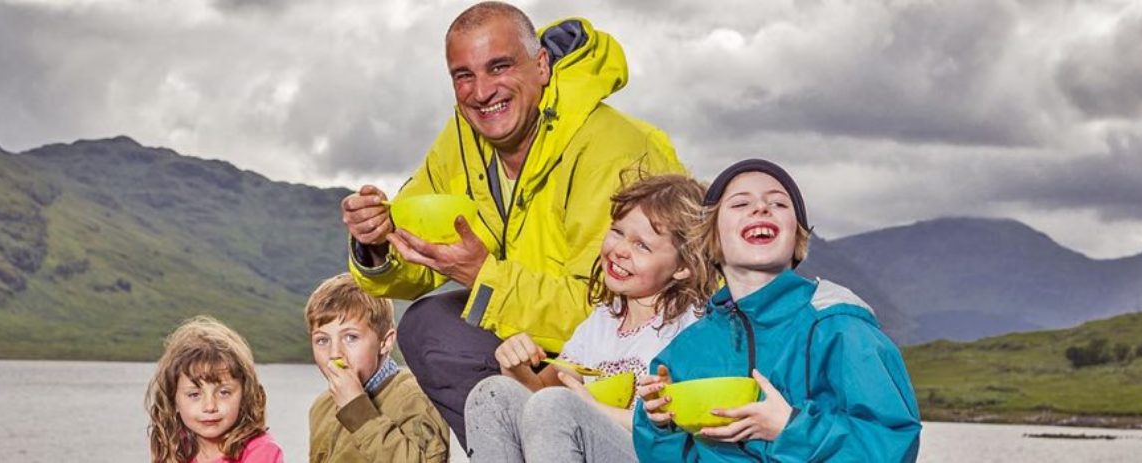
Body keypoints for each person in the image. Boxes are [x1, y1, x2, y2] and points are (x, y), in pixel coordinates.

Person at [337, 1, 684, 444]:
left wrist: (486, 277)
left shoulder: (612, 152)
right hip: (532, 332)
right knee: (429, 328)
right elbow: (416, 249)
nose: (481, 92)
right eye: (464, 75)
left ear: (540, 65)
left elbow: (611, 307)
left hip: (632, 353)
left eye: (498, 67)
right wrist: (376, 242)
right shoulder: (462, 139)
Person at [632, 159, 922, 462]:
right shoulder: (683, 352)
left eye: (779, 204)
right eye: (741, 203)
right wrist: (662, 426)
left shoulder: (840, 327)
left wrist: (790, 428)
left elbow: (893, 444)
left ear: (797, 238)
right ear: (711, 239)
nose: (761, 208)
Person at [466, 174, 716, 462]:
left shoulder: (694, 327)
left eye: (642, 246)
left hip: (652, 454)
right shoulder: (602, 323)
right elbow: (542, 398)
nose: (620, 250)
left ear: (684, 267)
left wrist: (593, 409)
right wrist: (514, 368)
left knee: (558, 405)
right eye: (618, 232)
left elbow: (681, 427)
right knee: (493, 394)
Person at [304, 274, 451, 462]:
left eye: (350, 337)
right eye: (322, 340)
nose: (334, 353)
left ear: (385, 342)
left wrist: (357, 409)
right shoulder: (321, 406)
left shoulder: (414, 397)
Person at [146, 316, 284, 463]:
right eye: (194, 394)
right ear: (174, 401)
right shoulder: (174, 447)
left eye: (224, 393)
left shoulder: (261, 452)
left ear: (245, 395)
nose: (210, 407)